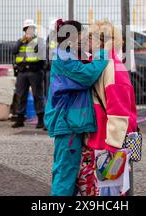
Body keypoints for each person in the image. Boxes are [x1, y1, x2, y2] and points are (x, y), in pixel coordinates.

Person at [44, 19, 110, 196]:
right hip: (67, 122)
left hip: (70, 121)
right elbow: (86, 75)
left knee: (70, 172)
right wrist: (103, 54)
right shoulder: (64, 57)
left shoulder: (68, 54)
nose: (84, 38)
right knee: (66, 172)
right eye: (82, 34)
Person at [79, 20, 138, 196]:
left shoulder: (112, 68)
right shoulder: (101, 65)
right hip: (100, 144)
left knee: (108, 193)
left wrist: (112, 148)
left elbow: (119, 113)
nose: (85, 41)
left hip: (107, 147)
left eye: (90, 37)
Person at [11, 19, 46, 129]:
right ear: (24, 30)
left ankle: (41, 120)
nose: (29, 31)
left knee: (38, 96)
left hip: (35, 72)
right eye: (27, 29)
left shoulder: (39, 41)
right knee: (21, 95)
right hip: (22, 72)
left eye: (31, 29)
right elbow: (14, 51)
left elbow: (42, 56)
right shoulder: (20, 42)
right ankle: (20, 119)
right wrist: (20, 41)